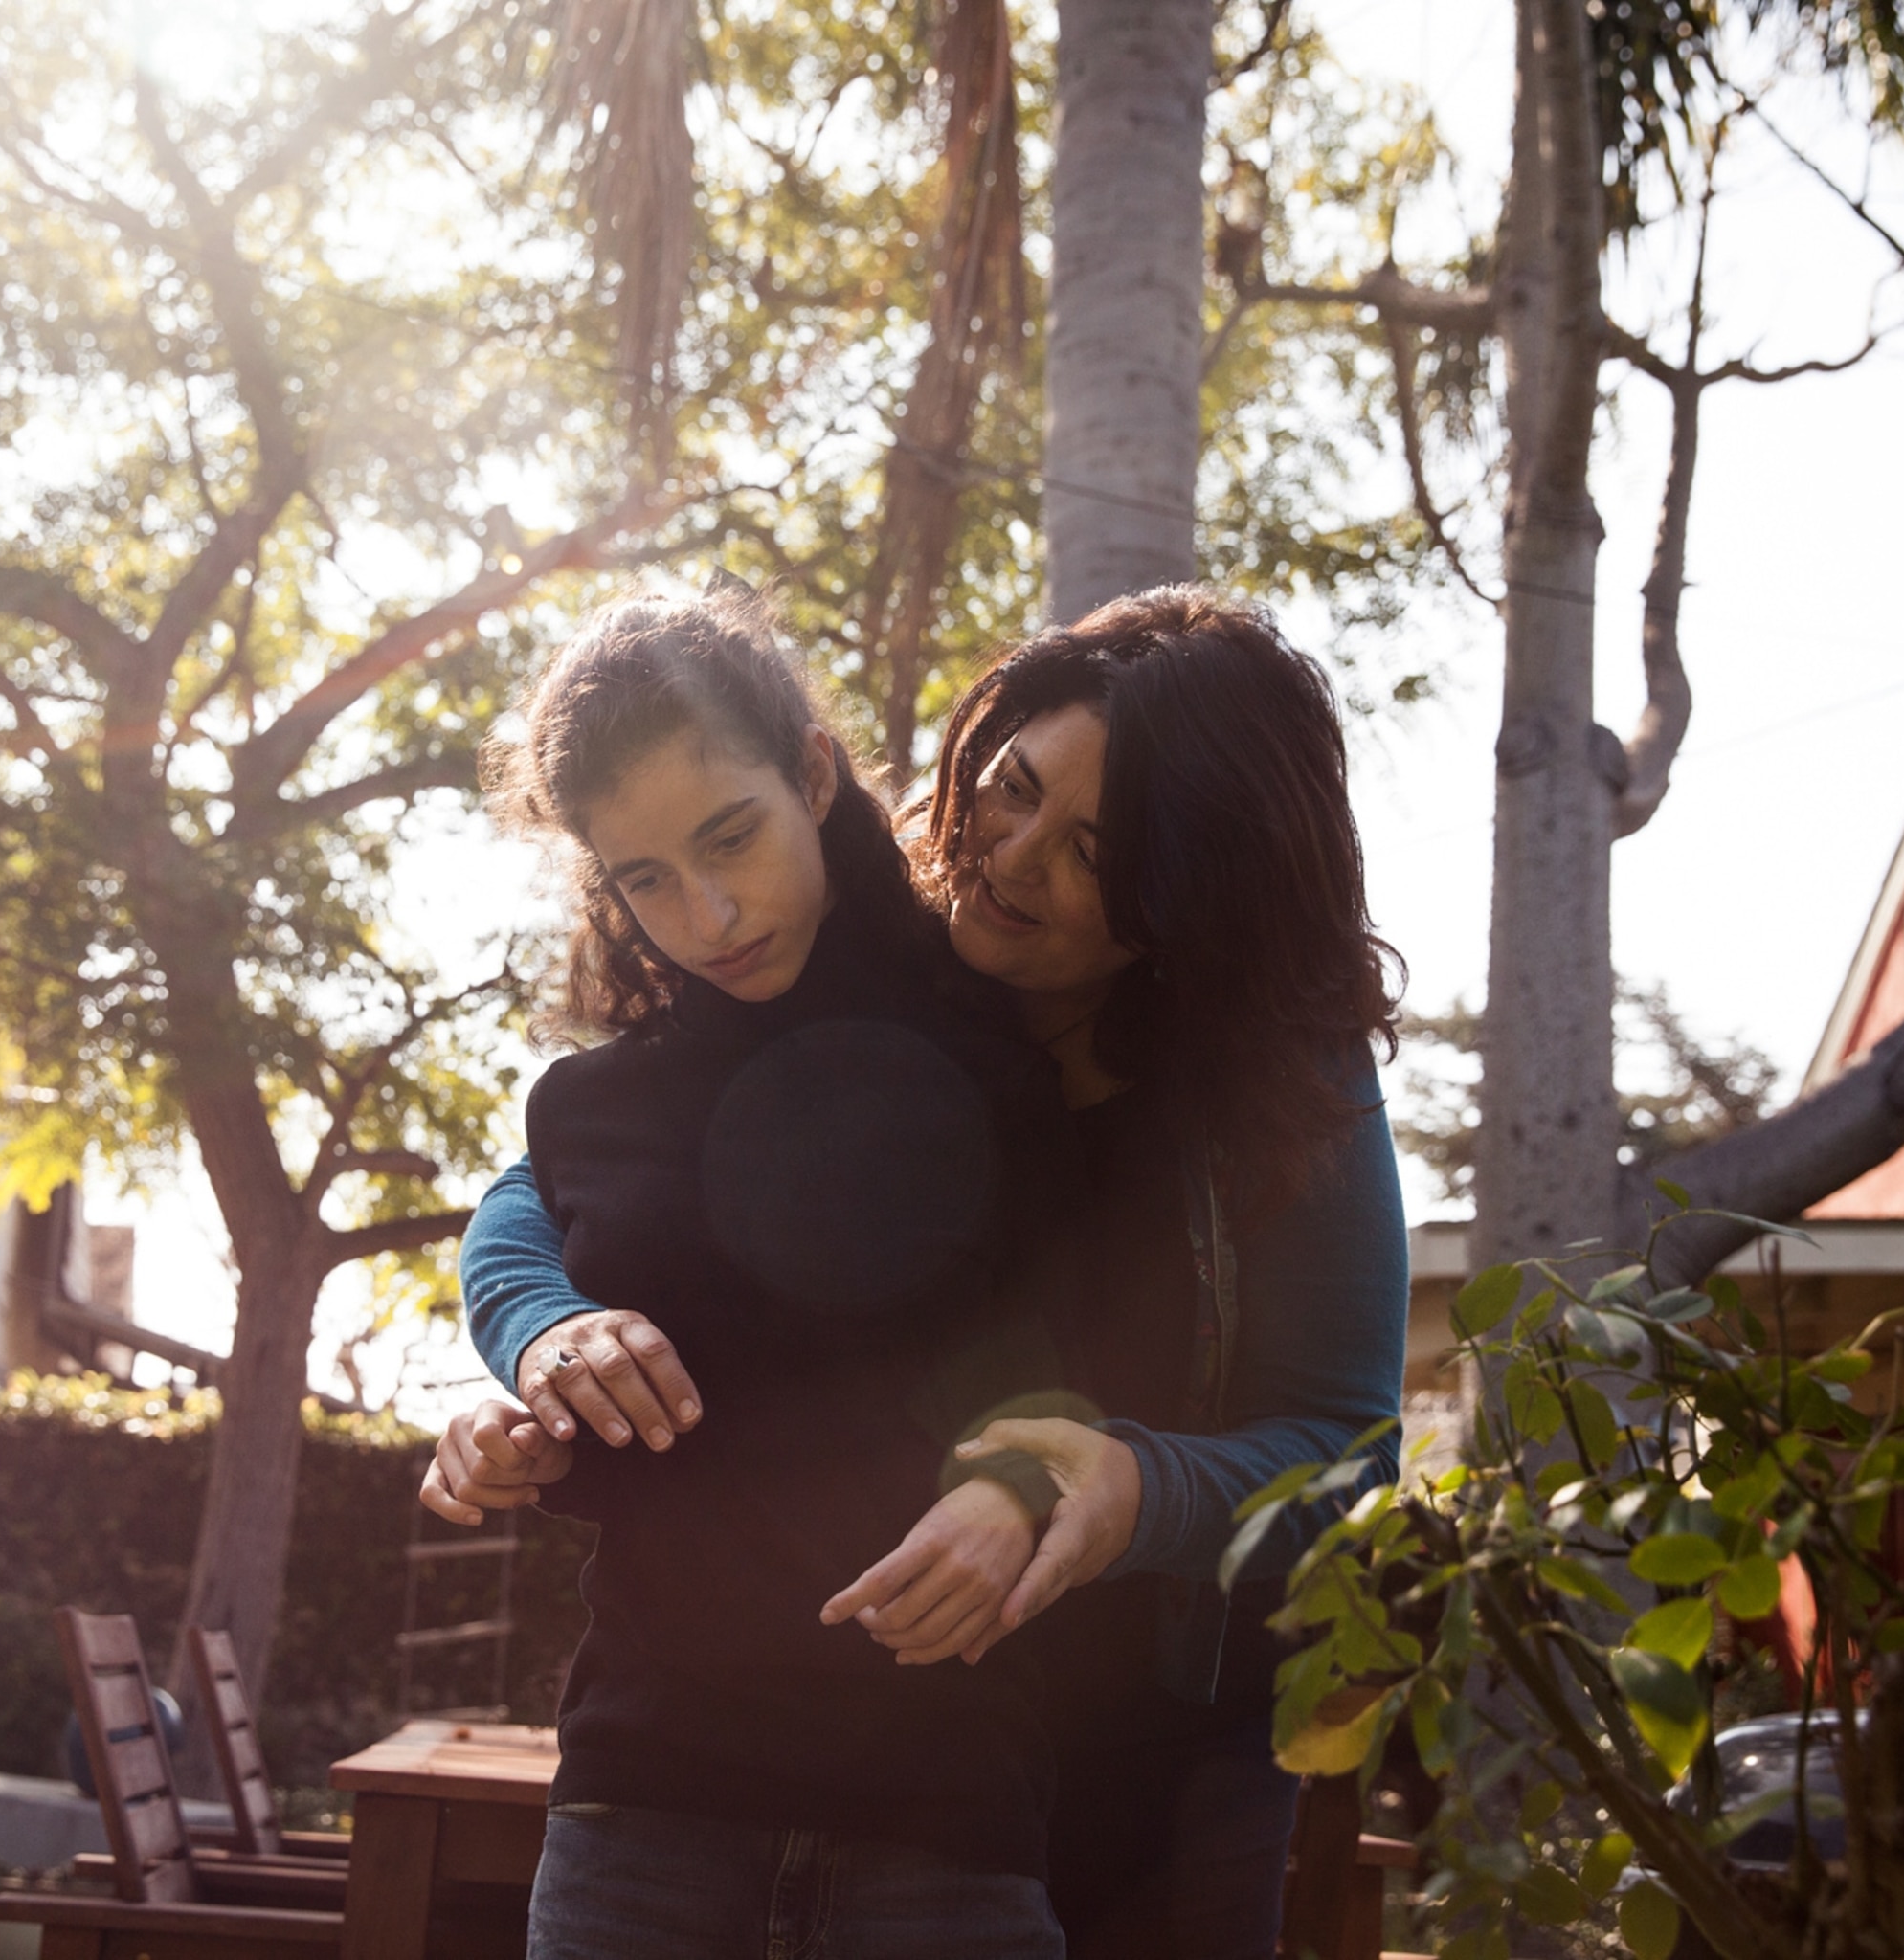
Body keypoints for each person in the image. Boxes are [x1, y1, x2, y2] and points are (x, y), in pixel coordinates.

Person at [428, 587, 1410, 1958]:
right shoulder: (862, 943)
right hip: (867, 1747)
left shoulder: (1278, 1076)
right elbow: (557, 1183)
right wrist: (538, 1324)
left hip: (1149, 1761)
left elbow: (1351, 1462)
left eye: (1094, 854)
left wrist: (1131, 1488)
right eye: (1009, 787)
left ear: (1192, 891)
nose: (1006, 857)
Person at [471, 589, 1082, 1960]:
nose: (709, 911)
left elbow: (1102, 1352)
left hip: (950, 1819)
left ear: (812, 770)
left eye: (729, 836)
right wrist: (523, 1426)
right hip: (642, 1818)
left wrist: (1017, 1480)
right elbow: (639, 1443)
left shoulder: (1012, 1050)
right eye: (644, 880)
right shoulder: (589, 1112)